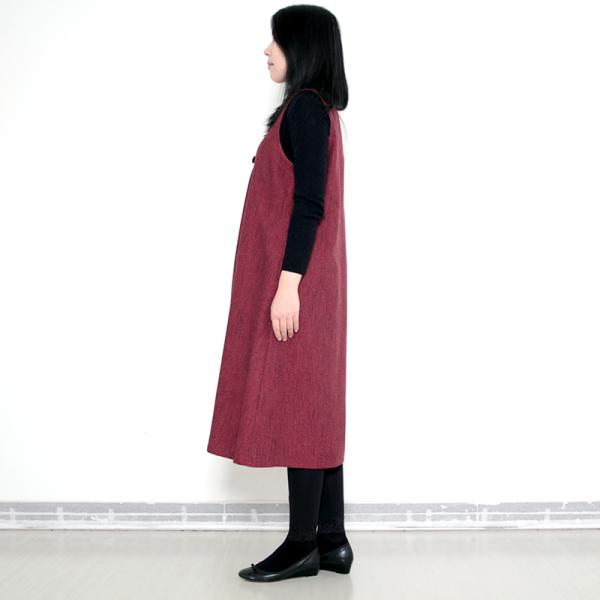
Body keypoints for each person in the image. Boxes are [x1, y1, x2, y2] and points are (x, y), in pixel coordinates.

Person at [206, 4, 352, 582]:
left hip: (298, 284)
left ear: (304, 48)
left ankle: (301, 546)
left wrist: (288, 286)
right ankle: (332, 540)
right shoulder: (311, 110)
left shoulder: (308, 111)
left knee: (299, 409)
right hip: (313, 283)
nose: (267, 50)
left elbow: (310, 205)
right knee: (315, 404)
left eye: (277, 40)